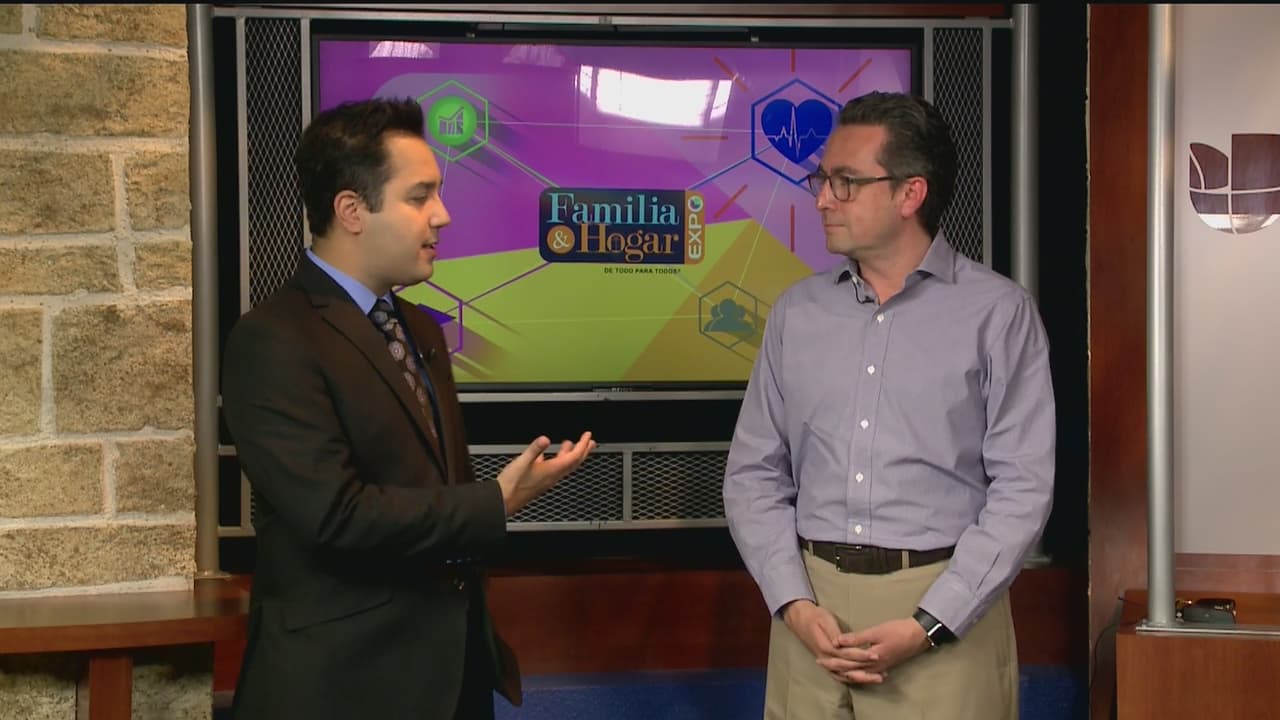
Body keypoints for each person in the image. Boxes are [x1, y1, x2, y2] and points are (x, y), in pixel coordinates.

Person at [221, 97, 596, 720]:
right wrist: (494, 502)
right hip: (343, 687)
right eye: (420, 197)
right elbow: (335, 516)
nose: (442, 216)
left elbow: (431, 489)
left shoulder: (419, 328)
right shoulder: (273, 340)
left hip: (451, 678)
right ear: (351, 210)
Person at [723, 91, 1055, 719]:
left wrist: (929, 623)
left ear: (910, 194)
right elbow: (753, 474)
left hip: (943, 618)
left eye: (845, 183)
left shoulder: (998, 313)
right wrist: (793, 602)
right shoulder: (797, 313)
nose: (823, 199)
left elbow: (1023, 488)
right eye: (822, 180)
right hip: (809, 619)